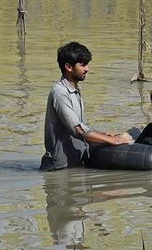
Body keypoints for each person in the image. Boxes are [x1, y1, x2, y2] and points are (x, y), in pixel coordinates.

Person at [40, 42, 133, 171]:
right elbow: (78, 130)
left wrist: (105, 134)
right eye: (82, 64)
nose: (87, 69)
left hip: (75, 165)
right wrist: (115, 140)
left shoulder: (75, 89)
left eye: (87, 64)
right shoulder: (60, 92)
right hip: (59, 169)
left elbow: (80, 127)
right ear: (68, 67)